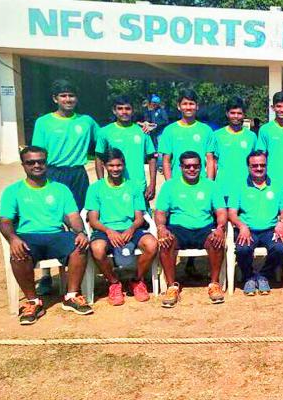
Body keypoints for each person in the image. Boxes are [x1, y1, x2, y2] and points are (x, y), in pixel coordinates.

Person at [0, 146, 93, 324]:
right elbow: (5, 221)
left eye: (40, 161)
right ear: (23, 165)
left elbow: (73, 216)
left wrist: (80, 232)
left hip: (56, 234)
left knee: (80, 245)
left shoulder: (61, 189)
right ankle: (33, 302)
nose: (36, 165)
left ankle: (71, 296)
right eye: (31, 162)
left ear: (46, 163)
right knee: (18, 254)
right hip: (27, 236)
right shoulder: (13, 191)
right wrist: (13, 239)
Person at [31, 79, 98, 296]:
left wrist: (141, 127)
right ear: (55, 99)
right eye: (63, 96)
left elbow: (107, 137)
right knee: (51, 221)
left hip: (78, 174)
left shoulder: (86, 121)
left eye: (71, 95)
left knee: (79, 220)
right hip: (52, 173)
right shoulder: (44, 122)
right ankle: (47, 275)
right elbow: (36, 153)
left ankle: (79, 269)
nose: (68, 99)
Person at [154, 151, 227, 308]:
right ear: (180, 167)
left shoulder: (211, 185)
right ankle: (172, 287)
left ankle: (214, 283)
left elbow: (221, 211)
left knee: (216, 240)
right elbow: (160, 212)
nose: (192, 169)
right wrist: (161, 227)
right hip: (178, 228)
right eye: (187, 166)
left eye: (196, 166)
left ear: (201, 167)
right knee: (166, 241)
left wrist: (220, 228)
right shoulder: (170, 186)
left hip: (204, 227)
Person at [86, 149, 159, 305]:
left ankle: (137, 280)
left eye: (119, 165)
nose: (115, 169)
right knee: (97, 249)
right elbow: (93, 220)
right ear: (105, 166)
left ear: (124, 165)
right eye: (111, 165)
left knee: (152, 244)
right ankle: (114, 283)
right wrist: (109, 231)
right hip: (105, 230)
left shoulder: (133, 187)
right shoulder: (95, 188)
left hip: (131, 228)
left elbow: (139, 218)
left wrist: (131, 229)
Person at [228, 150, 283, 296]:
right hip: (247, 230)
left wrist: (281, 222)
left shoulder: (277, 185)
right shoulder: (238, 186)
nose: (259, 168)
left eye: (262, 165)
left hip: (270, 230)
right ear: (248, 167)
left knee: (280, 249)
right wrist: (242, 226)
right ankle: (248, 276)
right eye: (254, 165)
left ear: (267, 165)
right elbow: (231, 213)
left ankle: (262, 276)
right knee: (243, 250)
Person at [94, 96, 158, 201]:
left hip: (139, 186)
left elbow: (152, 158)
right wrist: (101, 183)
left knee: (142, 216)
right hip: (114, 186)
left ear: (132, 110)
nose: (124, 112)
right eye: (120, 108)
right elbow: (99, 158)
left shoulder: (143, 132)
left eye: (127, 108)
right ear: (114, 111)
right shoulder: (105, 132)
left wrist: (152, 184)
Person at [157, 89, 216, 180]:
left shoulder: (206, 130)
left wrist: (210, 185)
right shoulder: (169, 130)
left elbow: (210, 160)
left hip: (201, 184)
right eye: (185, 104)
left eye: (191, 104)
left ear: (197, 106)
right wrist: (170, 185)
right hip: (177, 184)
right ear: (179, 106)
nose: (188, 107)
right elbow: (166, 161)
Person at [212, 97, 257, 201]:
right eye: (232, 113)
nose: (236, 116)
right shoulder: (217, 135)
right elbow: (213, 163)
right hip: (223, 189)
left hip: (246, 189)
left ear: (244, 115)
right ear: (227, 113)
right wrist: (212, 185)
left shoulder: (252, 137)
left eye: (239, 113)